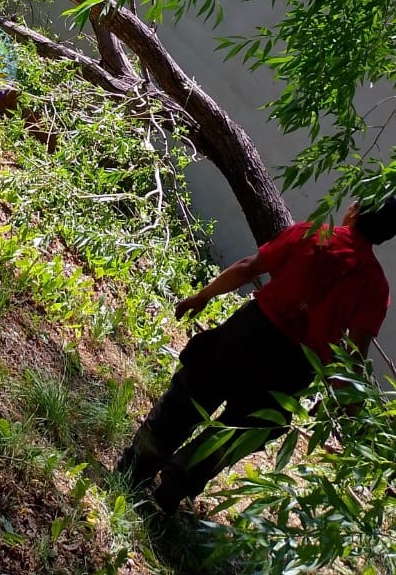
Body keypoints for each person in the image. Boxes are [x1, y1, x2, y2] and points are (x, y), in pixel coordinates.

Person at [116, 197, 396, 514]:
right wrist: (341, 401)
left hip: (248, 333)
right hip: (291, 370)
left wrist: (203, 295)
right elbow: (354, 356)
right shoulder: (376, 287)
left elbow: (248, 268)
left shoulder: (312, 234)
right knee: (238, 432)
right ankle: (171, 489)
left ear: (355, 212)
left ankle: (133, 469)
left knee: (189, 396)